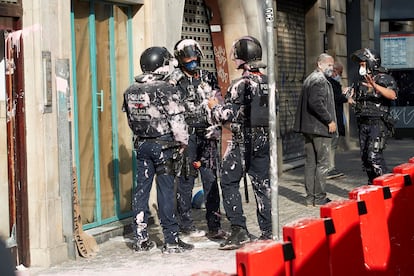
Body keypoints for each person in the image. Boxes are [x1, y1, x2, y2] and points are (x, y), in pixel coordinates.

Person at [123, 46, 193, 253]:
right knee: (166, 191)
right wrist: (183, 142)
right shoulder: (165, 89)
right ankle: (170, 240)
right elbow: (177, 120)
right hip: (164, 146)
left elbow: (130, 120)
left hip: (142, 145)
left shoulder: (131, 90)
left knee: (141, 191)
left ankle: (140, 239)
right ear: (160, 66)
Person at [208, 36, 272, 249]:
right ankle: (267, 230)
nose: (233, 59)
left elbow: (227, 114)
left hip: (243, 139)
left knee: (228, 180)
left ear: (243, 57)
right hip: (264, 138)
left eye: (236, 55)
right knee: (262, 185)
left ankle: (238, 229)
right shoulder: (268, 83)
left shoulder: (240, 84)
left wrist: (214, 106)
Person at [171, 39, 226, 240]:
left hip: (208, 135)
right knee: (186, 179)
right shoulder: (175, 81)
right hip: (187, 136)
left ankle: (215, 224)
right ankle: (185, 223)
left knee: (211, 179)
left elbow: (218, 102)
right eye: (187, 57)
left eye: (194, 56)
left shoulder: (208, 77)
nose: (192, 61)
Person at [293, 53, 337, 206]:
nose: (332, 68)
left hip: (309, 128)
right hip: (319, 128)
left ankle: (310, 197)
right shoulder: (319, 80)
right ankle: (319, 197)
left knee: (311, 162)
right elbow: (316, 103)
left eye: (332, 65)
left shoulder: (310, 79)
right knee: (322, 163)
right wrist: (329, 120)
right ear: (320, 64)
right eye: (329, 65)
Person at [350, 48, 398, 185]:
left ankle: (388, 187)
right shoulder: (362, 80)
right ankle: (373, 186)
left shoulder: (384, 78)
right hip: (363, 122)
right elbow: (357, 101)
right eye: (360, 64)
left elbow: (392, 95)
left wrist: (375, 85)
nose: (361, 66)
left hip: (378, 123)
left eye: (363, 63)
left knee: (374, 157)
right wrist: (349, 98)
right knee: (365, 159)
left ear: (372, 62)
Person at [326, 62, 354, 179]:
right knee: (331, 144)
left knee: (333, 143)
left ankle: (331, 167)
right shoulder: (329, 83)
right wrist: (345, 97)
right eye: (340, 72)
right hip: (332, 117)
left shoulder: (333, 83)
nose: (340, 75)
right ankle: (329, 168)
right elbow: (334, 98)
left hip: (335, 115)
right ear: (335, 71)